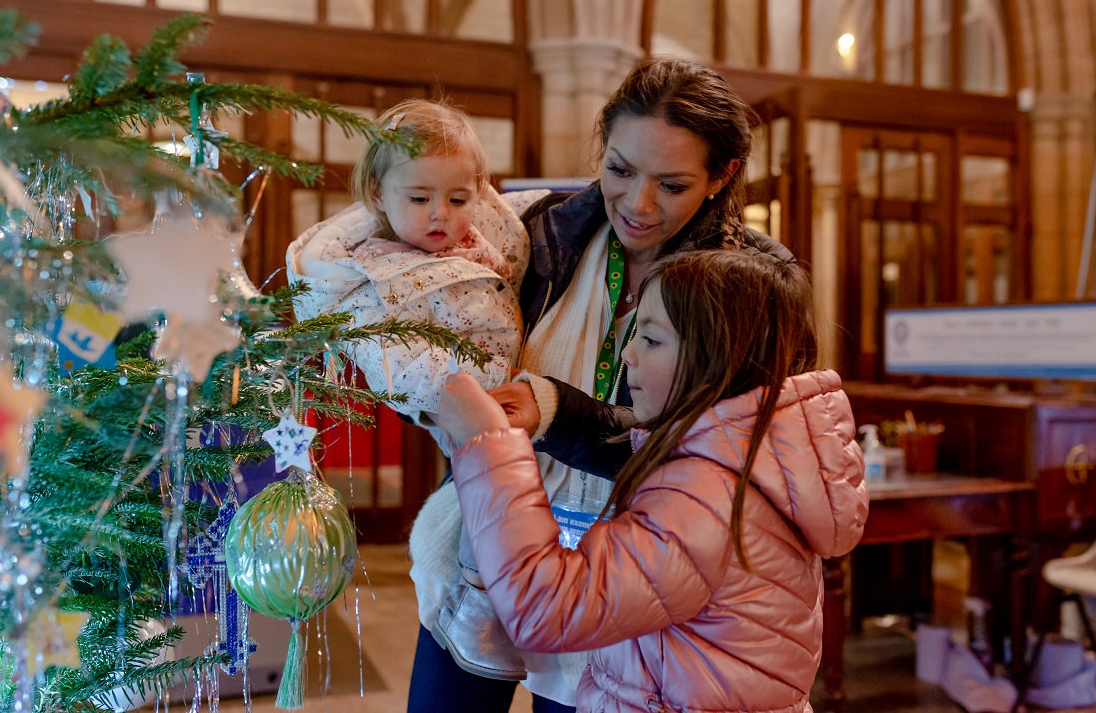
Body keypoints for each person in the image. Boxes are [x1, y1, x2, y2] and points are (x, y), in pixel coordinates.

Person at [406, 57, 796, 713]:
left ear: (722, 175)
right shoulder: (543, 229)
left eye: (671, 183)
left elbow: (703, 453)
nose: (638, 204)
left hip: (622, 582)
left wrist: (556, 411)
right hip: (488, 544)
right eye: (619, 169)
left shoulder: (746, 285)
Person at [437, 249, 870, 713]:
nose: (628, 355)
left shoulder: (705, 495)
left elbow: (547, 609)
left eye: (651, 339)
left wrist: (487, 447)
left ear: (716, 357)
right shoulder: (747, 465)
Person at [287, 99, 528, 427]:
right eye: (419, 198)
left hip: (525, 381)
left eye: (458, 199)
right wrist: (497, 380)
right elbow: (400, 369)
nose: (441, 213)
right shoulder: (370, 277)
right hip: (473, 404)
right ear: (378, 196)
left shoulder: (482, 232)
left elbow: (519, 227)